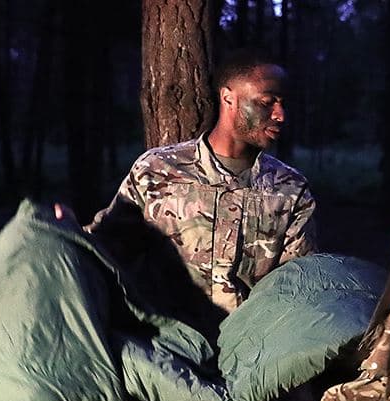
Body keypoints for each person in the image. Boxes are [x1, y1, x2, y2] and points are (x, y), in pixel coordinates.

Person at [86, 49, 317, 315]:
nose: (280, 115)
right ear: (229, 98)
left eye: (282, 103)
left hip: (250, 345)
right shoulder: (157, 170)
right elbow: (104, 247)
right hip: (168, 342)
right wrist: (60, 229)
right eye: (267, 102)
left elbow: (298, 285)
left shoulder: (291, 190)